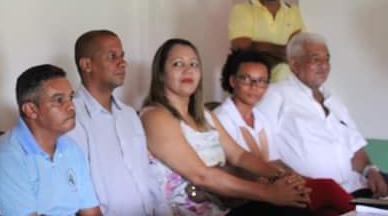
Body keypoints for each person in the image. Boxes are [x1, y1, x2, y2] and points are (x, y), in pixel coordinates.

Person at [140, 38, 312, 216]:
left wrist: (283, 176)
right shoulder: (156, 116)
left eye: (194, 64)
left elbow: (239, 155)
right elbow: (201, 175)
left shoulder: (204, 114)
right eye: (178, 64)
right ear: (161, 73)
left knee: (296, 203)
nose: (188, 70)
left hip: (223, 207)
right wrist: (269, 193)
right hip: (193, 212)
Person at [215, 50, 355, 216]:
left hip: (272, 189)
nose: (254, 86)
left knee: (327, 208)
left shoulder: (261, 117)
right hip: (243, 198)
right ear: (232, 80)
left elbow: (275, 162)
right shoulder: (220, 118)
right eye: (246, 79)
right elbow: (231, 168)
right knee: (326, 189)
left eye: (261, 81)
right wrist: (282, 181)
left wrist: (299, 180)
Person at [257, 32, 388, 198]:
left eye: (327, 59)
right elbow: (260, 151)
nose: (324, 65)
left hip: (356, 187)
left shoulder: (334, 100)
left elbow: (356, 150)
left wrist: (371, 171)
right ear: (294, 64)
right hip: (313, 193)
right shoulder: (275, 95)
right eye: (315, 59)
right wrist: (299, 182)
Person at [66, 30, 168, 216]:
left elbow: (147, 173)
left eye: (122, 56)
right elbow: (77, 188)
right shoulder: (72, 117)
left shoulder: (129, 115)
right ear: (87, 65)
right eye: (112, 56)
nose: (123, 63)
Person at [0, 64, 101, 216]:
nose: (71, 107)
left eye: (71, 98)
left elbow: (92, 212)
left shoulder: (72, 148)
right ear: (31, 110)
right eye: (59, 100)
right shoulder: (7, 157)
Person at [228, 0, 306, 82]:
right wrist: (284, 52)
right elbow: (242, 48)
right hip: (252, 84)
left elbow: (298, 52)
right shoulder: (242, 9)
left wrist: (260, 47)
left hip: (286, 86)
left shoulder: (293, 11)